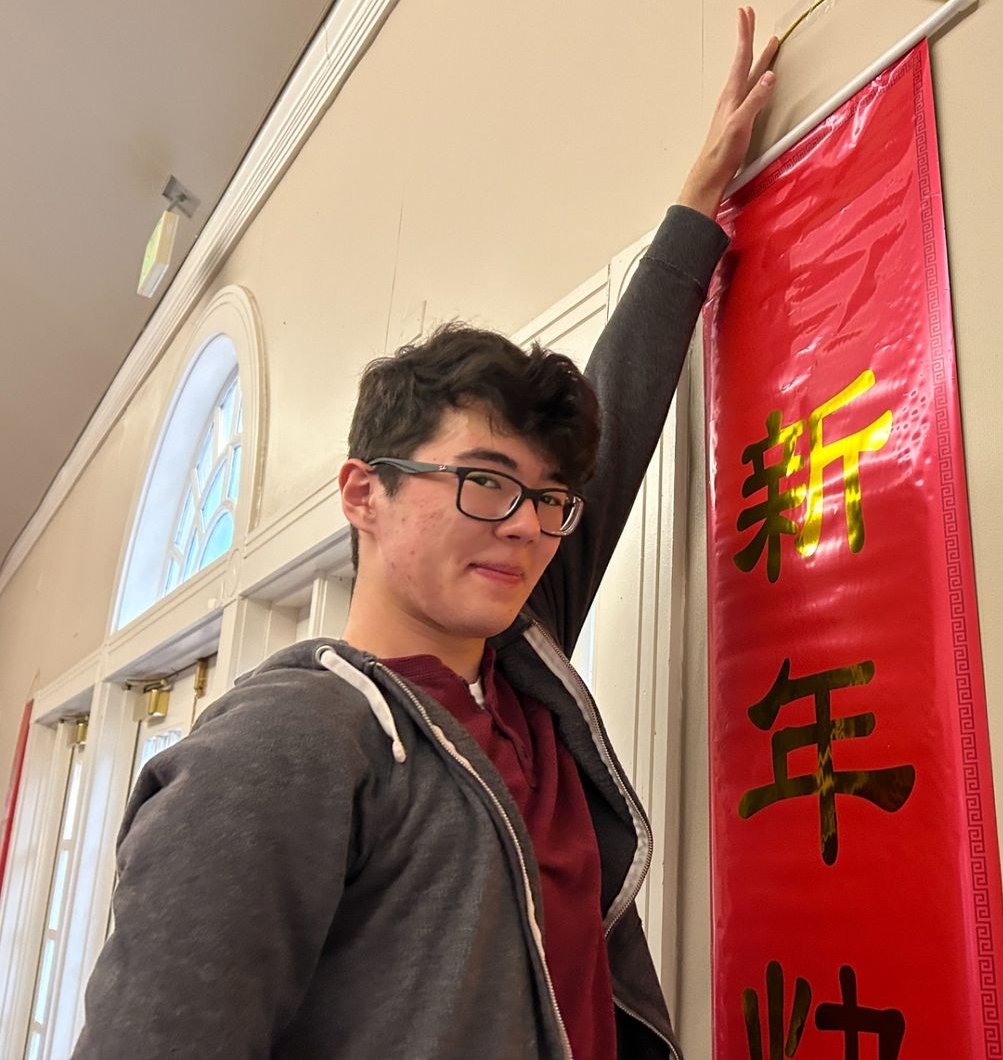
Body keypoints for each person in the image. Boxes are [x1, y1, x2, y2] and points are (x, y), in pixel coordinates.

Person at [72, 9, 777, 1059]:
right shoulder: (285, 745)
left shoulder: (518, 659)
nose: (526, 524)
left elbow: (616, 416)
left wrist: (697, 204)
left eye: (547, 498)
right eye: (486, 481)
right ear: (364, 493)